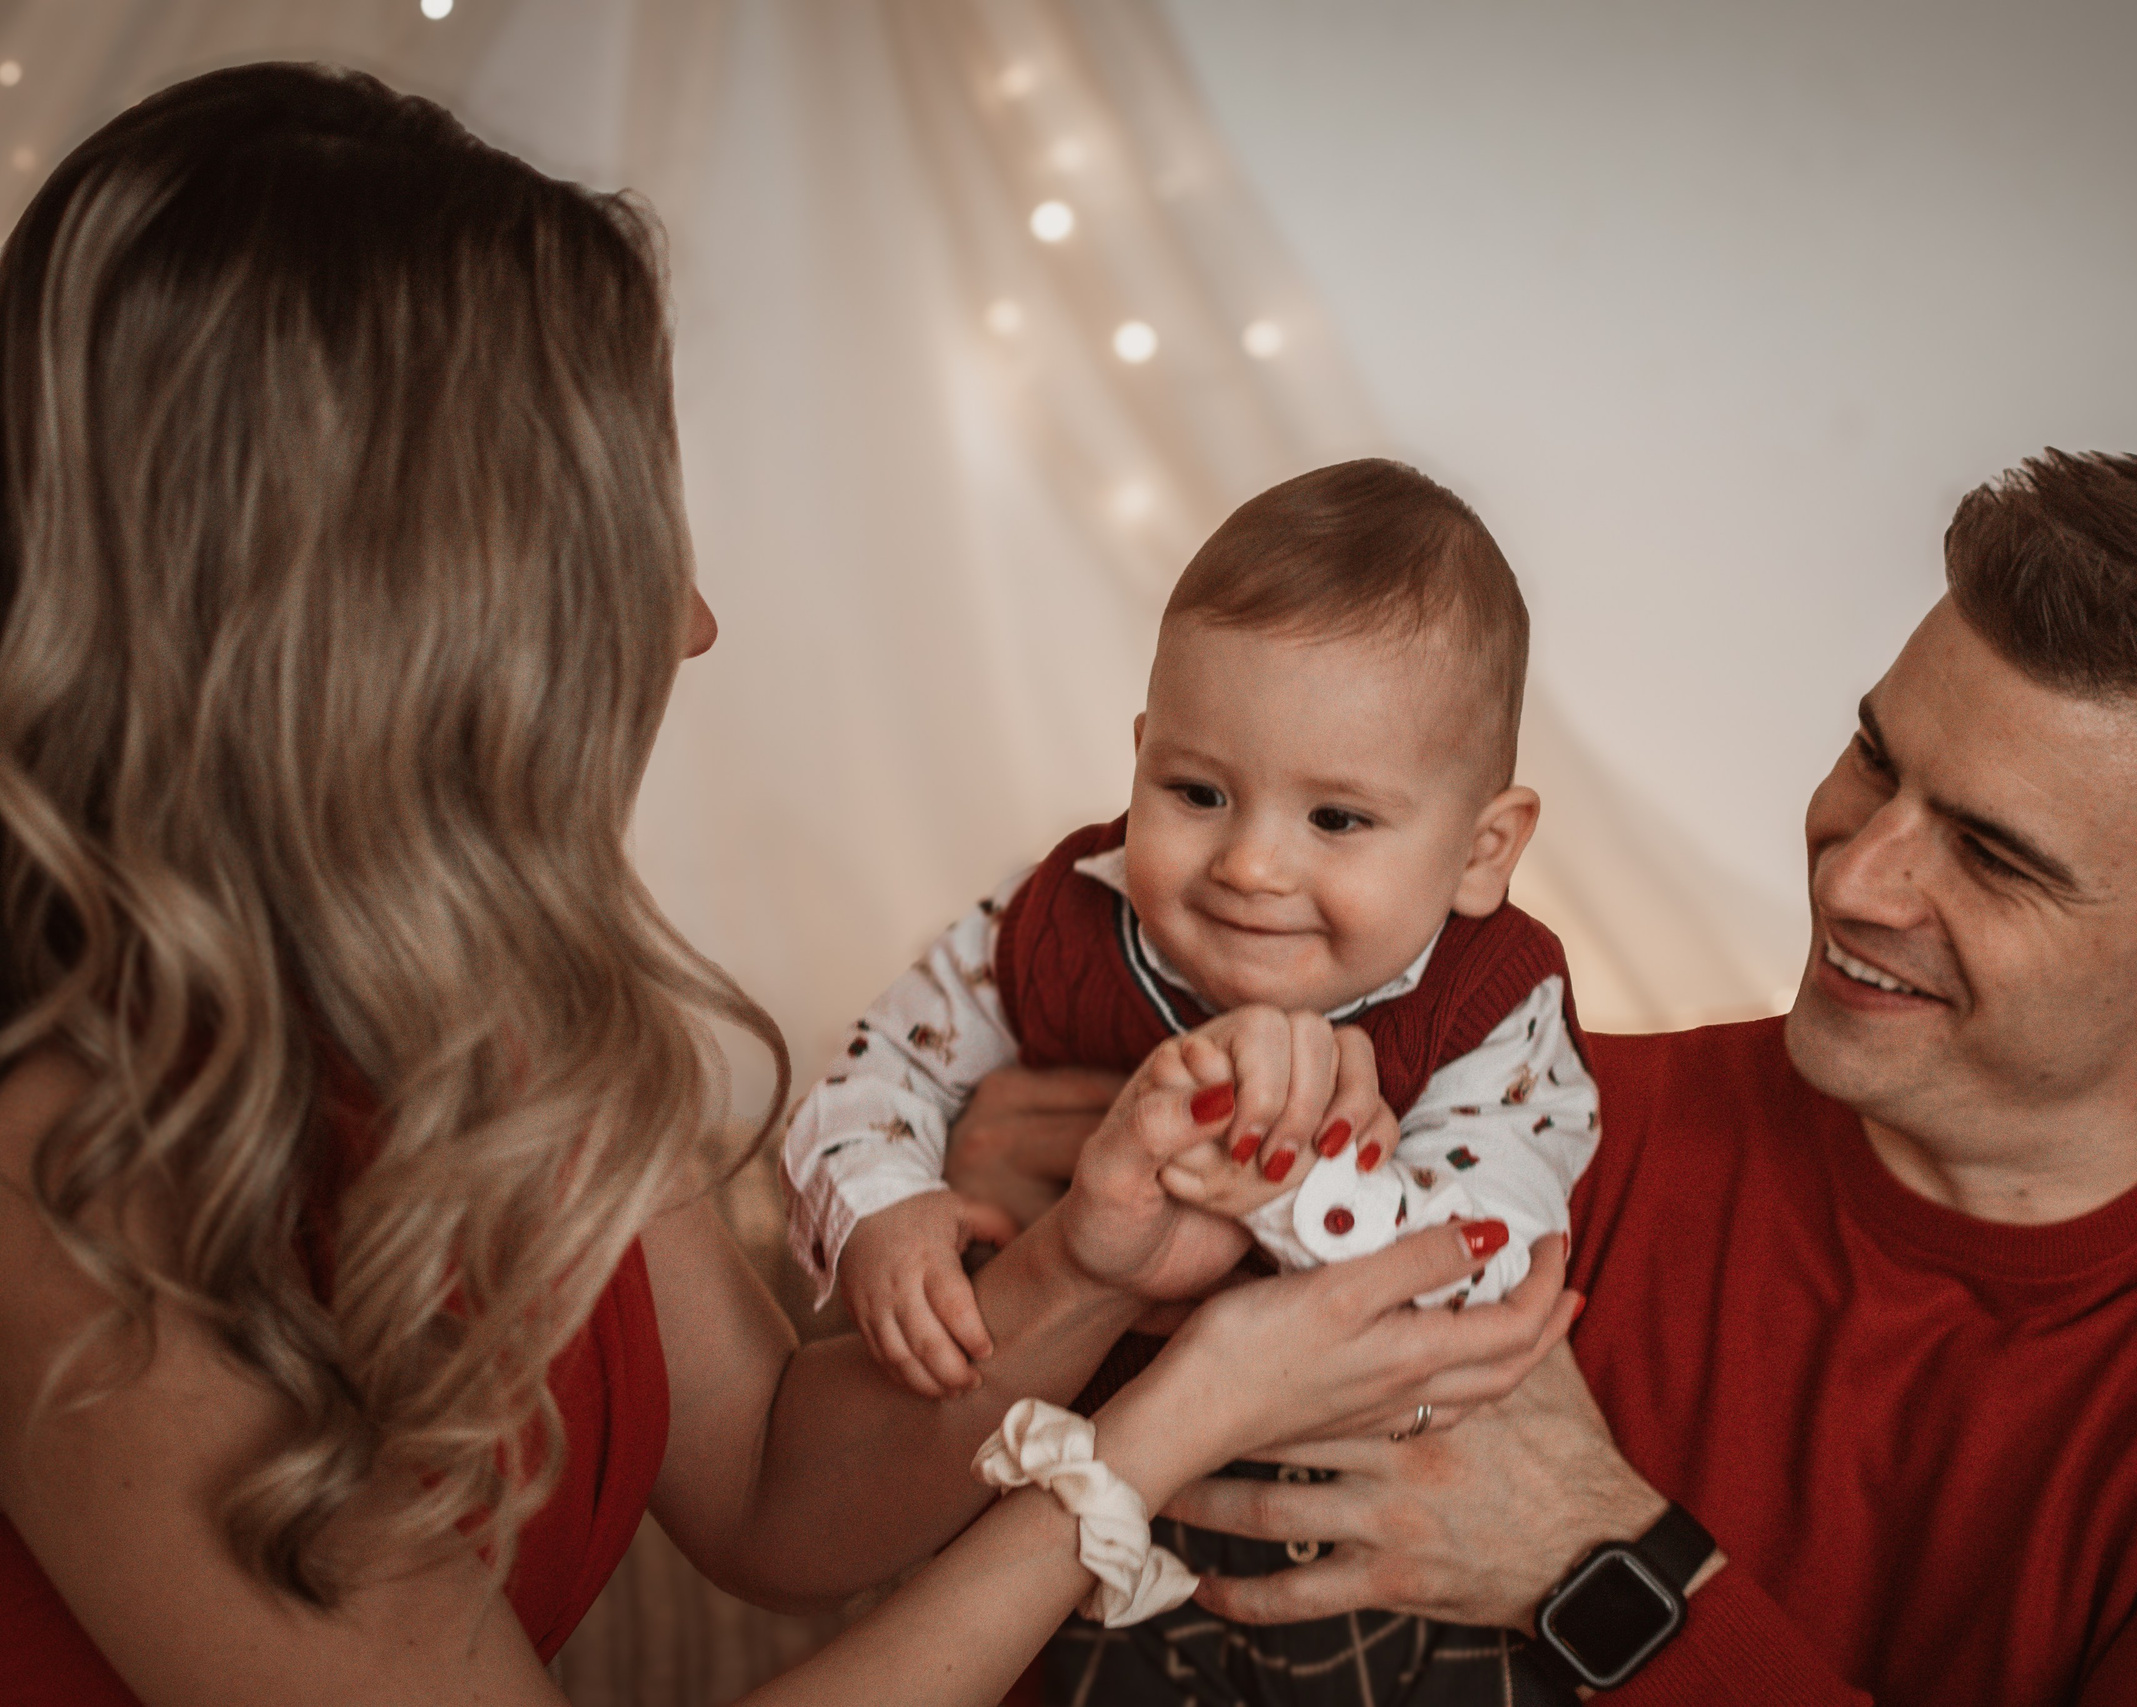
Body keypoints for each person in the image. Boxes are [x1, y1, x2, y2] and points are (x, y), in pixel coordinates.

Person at [0, 65, 1574, 1707]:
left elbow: (767, 1481)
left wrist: (1089, 1266)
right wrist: (1175, 1419)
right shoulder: (71, 1183)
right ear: (432, 613)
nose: (692, 623)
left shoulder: (530, 994)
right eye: (630, 543)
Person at [977, 453, 2137, 1703]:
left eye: (1994, 854)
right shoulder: (1524, 1128)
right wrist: (1035, 1222)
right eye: (1878, 758)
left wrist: (1603, 1560)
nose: (1857, 876)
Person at [783, 457, 1599, 1400]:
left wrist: (1286, 1184)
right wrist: (882, 1204)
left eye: (1335, 819)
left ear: (1481, 851)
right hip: (1026, 1435)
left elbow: (1488, 1267)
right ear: (1140, 760)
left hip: (1308, 1484)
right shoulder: (1058, 915)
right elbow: (881, 1068)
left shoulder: (1494, 1007)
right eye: (1197, 792)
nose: (1248, 865)